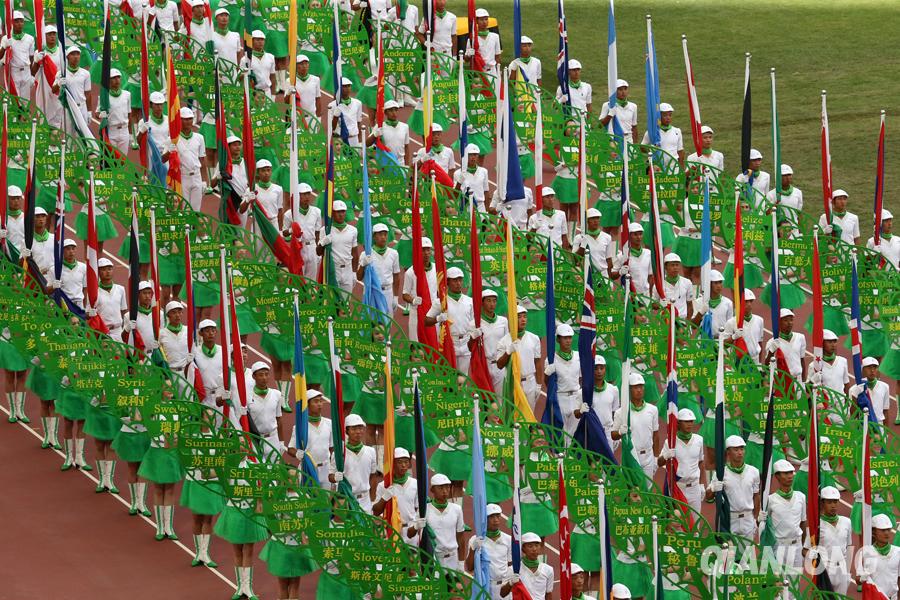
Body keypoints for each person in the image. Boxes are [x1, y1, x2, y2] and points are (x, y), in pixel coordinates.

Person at [214, 457, 269, 600]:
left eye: (244, 444)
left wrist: (259, 503)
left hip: (250, 511)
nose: (242, 449)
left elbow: (260, 486)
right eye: (239, 445)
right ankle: (240, 587)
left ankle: (248, 588)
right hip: (234, 511)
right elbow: (212, 475)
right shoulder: (228, 464)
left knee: (248, 551)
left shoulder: (254, 465)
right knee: (237, 551)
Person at [706, 435, 760, 539]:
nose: (740, 452)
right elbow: (708, 497)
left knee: (747, 554)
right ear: (728, 452)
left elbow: (756, 496)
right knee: (730, 554)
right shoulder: (721, 473)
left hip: (748, 519)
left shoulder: (754, 471)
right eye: (736, 450)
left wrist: (755, 518)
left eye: (742, 449)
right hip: (729, 519)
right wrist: (713, 488)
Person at [611, 373, 660, 485]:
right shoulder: (622, 412)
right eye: (635, 387)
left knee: (647, 493)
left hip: (648, 457)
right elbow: (613, 435)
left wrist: (656, 458)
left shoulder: (653, 410)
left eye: (641, 386)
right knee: (632, 492)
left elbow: (656, 435)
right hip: (631, 456)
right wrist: (620, 432)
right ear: (629, 389)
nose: (639, 390)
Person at [425, 267, 475, 373]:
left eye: (460, 280)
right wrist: (438, 318)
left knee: (463, 377)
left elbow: (473, 322)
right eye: (455, 280)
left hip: (465, 343)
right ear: (447, 282)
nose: (458, 283)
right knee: (449, 377)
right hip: (449, 343)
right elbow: (426, 321)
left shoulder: (469, 301)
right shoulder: (441, 302)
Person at [657, 408, 705, 512]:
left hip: (694, 488)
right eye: (686, 421)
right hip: (678, 488)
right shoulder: (670, 441)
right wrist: (666, 455)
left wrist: (702, 485)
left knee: (695, 523)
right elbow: (659, 463)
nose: (689, 424)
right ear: (678, 423)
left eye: (691, 421)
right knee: (678, 524)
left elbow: (701, 462)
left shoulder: (699, 440)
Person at [763, 460, 806, 571]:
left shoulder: (801, 497)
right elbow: (765, 526)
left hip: (797, 546)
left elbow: (803, 522)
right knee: (780, 584)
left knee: (795, 584)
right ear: (777, 476)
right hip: (779, 546)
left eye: (791, 473)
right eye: (785, 473)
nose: (790, 476)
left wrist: (803, 545)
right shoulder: (770, 500)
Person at [497, 306, 542, 410]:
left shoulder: (534, 338)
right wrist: (508, 352)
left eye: (524, 317)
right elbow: (499, 365)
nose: (523, 319)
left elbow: (538, 362)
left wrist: (539, 385)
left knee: (529, 417)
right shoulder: (504, 341)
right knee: (514, 417)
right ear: (512, 319)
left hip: (530, 382)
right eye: (519, 317)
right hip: (512, 383)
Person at [329, 414, 377, 512]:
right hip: (346, 499)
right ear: (347, 431)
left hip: (365, 500)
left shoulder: (371, 451)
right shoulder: (339, 453)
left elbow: (373, 477)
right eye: (354, 429)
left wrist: (372, 499)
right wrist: (336, 477)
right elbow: (330, 477)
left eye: (360, 428)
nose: (358, 432)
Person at [372, 448, 419, 545]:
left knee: (411, 559)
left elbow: (417, 508)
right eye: (399, 462)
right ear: (393, 464)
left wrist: (415, 526)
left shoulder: (415, 484)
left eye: (406, 462)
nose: (403, 465)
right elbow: (376, 511)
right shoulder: (383, 485)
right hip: (391, 531)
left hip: (410, 531)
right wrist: (385, 497)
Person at [286, 388, 332, 486]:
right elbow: (290, 449)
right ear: (307, 404)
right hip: (307, 469)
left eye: (321, 401)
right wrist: (297, 454)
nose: (319, 404)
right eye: (315, 402)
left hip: (325, 469)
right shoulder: (300, 426)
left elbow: (332, 448)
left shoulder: (329, 424)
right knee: (308, 498)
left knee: (326, 499)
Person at [465, 503, 511, 598]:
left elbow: (511, 565)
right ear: (485, 519)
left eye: (498, 516)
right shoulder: (475, 540)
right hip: (484, 586)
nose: (496, 520)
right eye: (491, 517)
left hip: (503, 587)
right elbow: (469, 567)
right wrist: (473, 549)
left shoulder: (508, 539)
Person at [166, 107, 206, 211]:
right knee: (183, 210)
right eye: (185, 119)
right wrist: (169, 151)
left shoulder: (199, 138)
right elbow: (162, 159)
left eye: (190, 119)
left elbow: (202, 160)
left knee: (196, 210)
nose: (188, 121)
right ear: (179, 120)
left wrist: (204, 181)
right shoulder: (173, 139)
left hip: (197, 176)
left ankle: (193, 228)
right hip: (182, 177)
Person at [575, 355, 619, 450]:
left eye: (601, 368)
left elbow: (615, 413)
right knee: (592, 462)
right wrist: (581, 411)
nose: (599, 371)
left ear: (605, 369)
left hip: (607, 431)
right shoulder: (583, 392)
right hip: (591, 431)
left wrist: (615, 432)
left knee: (608, 463)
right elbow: (576, 414)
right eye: (596, 368)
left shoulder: (614, 390)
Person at [545, 323, 581, 436]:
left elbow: (581, 378)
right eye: (565, 338)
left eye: (570, 337)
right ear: (558, 339)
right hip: (561, 397)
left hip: (576, 397)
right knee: (562, 432)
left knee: (574, 433)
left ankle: (571, 454)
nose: (568, 341)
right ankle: (560, 454)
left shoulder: (578, 356)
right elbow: (547, 383)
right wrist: (547, 373)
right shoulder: (551, 359)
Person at [317, 200, 358, 294]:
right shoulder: (325, 230)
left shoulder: (353, 230)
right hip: (332, 270)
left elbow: (355, 253)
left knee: (346, 303)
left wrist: (354, 273)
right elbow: (318, 252)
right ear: (332, 213)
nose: (341, 214)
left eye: (343, 211)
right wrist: (322, 243)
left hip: (347, 270)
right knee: (333, 302)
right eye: (338, 212)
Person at [357, 223, 401, 313]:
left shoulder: (394, 253)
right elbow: (359, 277)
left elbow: (396, 275)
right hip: (371, 292)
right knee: (372, 323)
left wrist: (396, 297)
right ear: (374, 236)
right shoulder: (366, 255)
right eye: (380, 234)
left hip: (387, 292)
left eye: (385, 234)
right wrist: (363, 264)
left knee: (387, 323)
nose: (383, 237)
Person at [282, 182, 322, 280]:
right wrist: (292, 230)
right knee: (298, 280)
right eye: (303, 194)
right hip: (298, 248)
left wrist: (317, 249)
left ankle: (310, 295)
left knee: (311, 281)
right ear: (297, 196)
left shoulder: (317, 212)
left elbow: (317, 232)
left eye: (308, 194)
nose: (307, 197)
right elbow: (284, 233)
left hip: (312, 247)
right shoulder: (289, 214)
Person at [402, 236, 438, 342]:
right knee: (416, 344)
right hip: (417, 313)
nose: (426, 253)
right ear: (418, 251)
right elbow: (405, 294)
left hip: (433, 312)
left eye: (428, 249)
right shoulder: (411, 272)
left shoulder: (437, 269)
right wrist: (413, 300)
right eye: (423, 250)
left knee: (433, 343)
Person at [809, 329, 850, 422]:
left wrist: (848, 405)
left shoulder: (843, 361)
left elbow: (846, 384)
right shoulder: (814, 366)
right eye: (829, 342)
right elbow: (808, 389)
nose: (833, 345)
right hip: (824, 409)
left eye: (835, 341)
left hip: (840, 407)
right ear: (822, 344)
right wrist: (812, 380)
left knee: (841, 434)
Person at [816, 486, 851, 594]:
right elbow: (806, 549)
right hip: (825, 569)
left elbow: (849, 546)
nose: (833, 506)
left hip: (842, 568)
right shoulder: (817, 525)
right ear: (822, 503)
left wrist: (848, 570)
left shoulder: (847, 522)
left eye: (835, 502)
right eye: (829, 502)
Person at [857, 514, 900, 599]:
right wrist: (865, 575)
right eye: (883, 530)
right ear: (873, 532)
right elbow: (858, 580)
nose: (887, 533)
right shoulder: (865, 552)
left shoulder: (898, 551)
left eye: (888, 529)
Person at [247, 362, 284, 457]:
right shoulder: (247, 396)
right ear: (254, 376)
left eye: (266, 374)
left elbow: (279, 419)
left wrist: (281, 442)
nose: (264, 378)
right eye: (260, 375)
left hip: (273, 439)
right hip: (255, 440)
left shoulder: (277, 394)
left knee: (274, 470)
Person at [502, 532, 553, 599]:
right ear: (523, 549)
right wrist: (511, 582)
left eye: (536, 545)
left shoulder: (548, 570)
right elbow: (502, 594)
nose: (534, 549)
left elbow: (548, 594)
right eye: (530, 546)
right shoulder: (513, 570)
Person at [54, 47, 92, 138]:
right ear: (67, 57)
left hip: (81, 108)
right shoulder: (61, 74)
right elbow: (53, 90)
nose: (76, 57)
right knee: (69, 138)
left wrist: (89, 112)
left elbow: (88, 94)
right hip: (68, 109)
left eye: (77, 54)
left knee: (83, 139)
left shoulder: (85, 74)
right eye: (73, 54)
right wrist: (59, 83)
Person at [32, 25, 64, 128]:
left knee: (56, 119)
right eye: (49, 34)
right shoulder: (40, 52)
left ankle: (53, 143)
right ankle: (46, 141)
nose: (52, 37)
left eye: (54, 34)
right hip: (43, 89)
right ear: (44, 37)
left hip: (57, 88)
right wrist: (36, 61)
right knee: (43, 117)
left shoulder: (61, 52)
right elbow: (33, 72)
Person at [722, 289, 765, 363]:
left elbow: (760, 343)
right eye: (745, 302)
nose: (749, 304)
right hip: (738, 361)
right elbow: (724, 344)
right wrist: (734, 337)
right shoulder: (731, 322)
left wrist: (760, 364)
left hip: (755, 360)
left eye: (750, 301)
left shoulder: (759, 320)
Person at [764, 309, 807, 381]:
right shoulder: (772, 342)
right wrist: (771, 352)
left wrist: (804, 381)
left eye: (791, 320)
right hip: (782, 382)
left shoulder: (800, 337)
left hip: (798, 381)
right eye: (786, 320)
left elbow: (802, 360)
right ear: (779, 322)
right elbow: (766, 366)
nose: (789, 323)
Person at [481, 290, 510, 393]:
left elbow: (507, 342)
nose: (492, 304)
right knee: (485, 400)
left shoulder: (503, 321)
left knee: (500, 399)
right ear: (482, 302)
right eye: (488, 301)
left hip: (500, 365)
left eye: (494, 301)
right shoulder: (476, 323)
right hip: (484, 365)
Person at [1, 12, 35, 99]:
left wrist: (32, 75)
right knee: (15, 101)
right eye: (16, 21)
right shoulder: (6, 39)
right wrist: (4, 47)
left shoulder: (30, 38)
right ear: (12, 23)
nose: (19, 24)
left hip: (26, 72)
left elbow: (31, 57)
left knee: (25, 102)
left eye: (21, 21)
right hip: (13, 72)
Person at [612, 223, 653, 295]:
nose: (639, 237)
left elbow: (650, 276)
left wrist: (651, 294)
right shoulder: (622, 256)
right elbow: (612, 275)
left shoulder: (648, 253)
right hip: (629, 295)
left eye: (640, 234)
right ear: (629, 236)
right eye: (635, 234)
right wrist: (620, 272)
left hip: (645, 295)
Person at [641, 102, 684, 169]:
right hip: (657, 167)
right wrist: (651, 151)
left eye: (670, 115)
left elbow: (680, 151)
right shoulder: (652, 132)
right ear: (659, 116)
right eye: (665, 115)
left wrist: (681, 168)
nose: (668, 118)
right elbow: (642, 147)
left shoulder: (677, 131)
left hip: (673, 167)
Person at [691, 270, 733, 337]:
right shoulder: (699, 302)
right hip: (703, 340)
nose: (719, 286)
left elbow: (730, 326)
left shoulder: (728, 303)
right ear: (709, 284)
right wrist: (701, 313)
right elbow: (693, 326)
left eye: (720, 282)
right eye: (716, 283)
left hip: (721, 341)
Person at [574, 208, 614, 277]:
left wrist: (609, 279)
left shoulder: (607, 237)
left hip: (603, 275)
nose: (595, 221)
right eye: (592, 218)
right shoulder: (579, 238)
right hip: (587, 275)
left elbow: (609, 259)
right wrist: (583, 245)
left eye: (597, 218)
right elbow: (575, 260)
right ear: (587, 221)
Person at [95, 258, 128, 341]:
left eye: (109, 269)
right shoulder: (94, 292)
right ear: (98, 272)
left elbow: (123, 311)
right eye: (104, 269)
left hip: (118, 331)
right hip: (103, 333)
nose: (107, 272)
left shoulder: (121, 289)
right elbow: (89, 313)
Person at [102, 69, 133, 155]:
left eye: (118, 78)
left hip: (124, 131)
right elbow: (97, 112)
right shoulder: (104, 96)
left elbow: (129, 114)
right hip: (111, 131)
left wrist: (130, 134)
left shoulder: (127, 95)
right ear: (109, 81)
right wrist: (101, 114)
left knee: (123, 159)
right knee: (112, 159)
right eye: (114, 78)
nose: (117, 80)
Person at [370, 100, 411, 165]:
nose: (394, 113)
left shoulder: (405, 127)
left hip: (400, 163)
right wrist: (375, 134)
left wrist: (407, 165)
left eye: (396, 110)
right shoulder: (380, 126)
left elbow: (406, 147)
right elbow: (367, 143)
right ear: (385, 113)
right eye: (391, 110)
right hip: (386, 162)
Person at [851, 357, 890, 423]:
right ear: (862, 370)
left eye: (875, 367)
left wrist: (886, 432)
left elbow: (885, 411)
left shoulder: (885, 387)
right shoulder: (854, 389)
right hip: (863, 426)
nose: (872, 370)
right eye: (869, 367)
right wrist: (855, 395)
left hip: (879, 427)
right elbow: (853, 415)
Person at [328, 78, 364, 147]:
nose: (347, 88)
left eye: (349, 86)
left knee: (355, 157)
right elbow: (331, 127)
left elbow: (358, 122)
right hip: (340, 140)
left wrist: (359, 140)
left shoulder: (358, 103)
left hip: (354, 138)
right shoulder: (332, 105)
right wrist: (336, 116)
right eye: (344, 86)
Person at [455, 144, 491, 213]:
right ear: (466, 156)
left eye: (475, 155)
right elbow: (455, 194)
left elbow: (486, 192)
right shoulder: (458, 173)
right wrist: (460, 180)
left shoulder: (484, 171)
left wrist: (487, 210)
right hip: (466, 207)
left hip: (480, 207)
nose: (473, 157)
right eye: (470, 155)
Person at [658, 253, 694, 318]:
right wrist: (663, 304)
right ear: (665, 267)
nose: (675, 268)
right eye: (672, 265)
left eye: (677, 265)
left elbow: (690, 305)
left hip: (681, 322)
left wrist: (687, 324)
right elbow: (654, 305)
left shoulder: (687, 282)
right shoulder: (659, 284)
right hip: (665, 321)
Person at [158, 301, 190, 373]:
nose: (177, 315)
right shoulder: (161, 334)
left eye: (179, 312)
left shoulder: (188, 331)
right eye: (174, 312)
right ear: (168, 315)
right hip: (170, 372)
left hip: (186, 372)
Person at [288, 55, 322, 120]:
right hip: (297, 118)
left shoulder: (316, 79)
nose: (304, 66)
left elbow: (318, 98)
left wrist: (319, 118)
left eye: (306, 63)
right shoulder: (291, 81)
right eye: (301, 64)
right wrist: (288, 93)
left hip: (312, 117)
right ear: (296, 66)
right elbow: (286, 101)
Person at [472, 9, 501, 75]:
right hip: (479, 72)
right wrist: (469, 54)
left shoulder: (495, 37)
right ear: (476, 21)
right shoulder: (472, 38)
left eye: (486, 19)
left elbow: (498, 56)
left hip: (492, 71)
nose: (484, 22)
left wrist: (498, 71)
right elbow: (467, 59)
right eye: (481, 20)